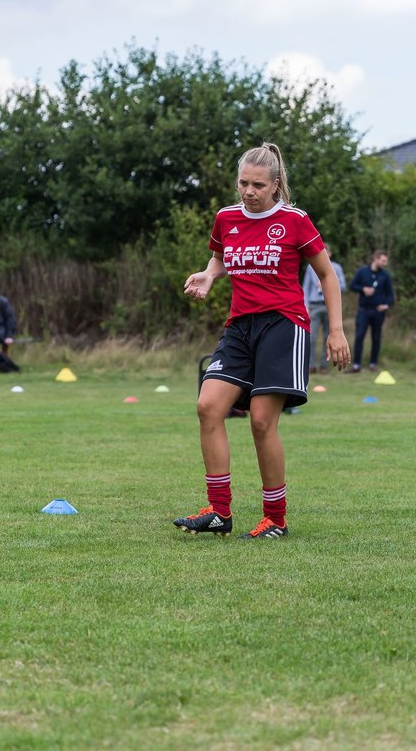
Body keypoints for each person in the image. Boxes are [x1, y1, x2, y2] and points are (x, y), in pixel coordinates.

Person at [174, 143, 349, 540]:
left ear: (275, 185)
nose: (248, 192)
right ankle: (219, 512)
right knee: (207, 407)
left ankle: (277, 517)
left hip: (283, 325)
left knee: (260, 421)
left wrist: (336, 330)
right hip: (239, 326)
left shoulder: (295, 221)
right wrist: (208, 274)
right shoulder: (226, 218)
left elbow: (327, 276)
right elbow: (222, 257)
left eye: (257, 185)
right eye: (242, 183)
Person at [347, 250, 394, 373]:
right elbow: (352, 285)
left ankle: (373, 363)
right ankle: (356, 364)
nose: (385, 263)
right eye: (383, 260)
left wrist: (386, 305)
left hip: (378, 311)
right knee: (359, 336)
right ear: (376, 259)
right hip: (363, 310)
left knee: (376, 337)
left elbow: (390, 295)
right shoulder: (363, 272)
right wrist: (363, 289)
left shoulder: (385, 275)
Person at [302, 245, 346, 374]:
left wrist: (328, 283)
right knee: (311, 337)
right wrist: (306, 306)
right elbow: (305, 287)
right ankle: (311, 365)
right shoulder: (310, 268)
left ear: (330, 253)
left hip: (328, 306)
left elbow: (342, 286)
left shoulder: (336, 268)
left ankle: (324, 365)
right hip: (314, 305)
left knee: (329, 336)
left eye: (327, 251)